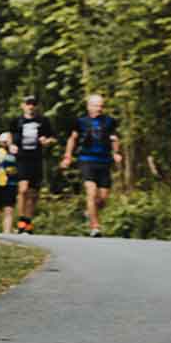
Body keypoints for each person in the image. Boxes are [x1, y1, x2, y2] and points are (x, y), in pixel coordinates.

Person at [60, 93, 122, 237]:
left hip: (104, 161)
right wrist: (68, 156)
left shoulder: (109, 121)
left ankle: (90, 212)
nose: (99, 108)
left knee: (103, 199)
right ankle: (95, 227)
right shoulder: (81, 121)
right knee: (91, 192)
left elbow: (114, 138)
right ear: (89, 106)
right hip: (87, 160)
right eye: (95, 105)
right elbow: (72, 139)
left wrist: (116, 152)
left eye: (101, 106)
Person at [9, 95, 55, 233]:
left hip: (37, 158)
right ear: (23, 106)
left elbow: (53, 137)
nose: (31, 106)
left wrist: (47, 141)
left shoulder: (43, 121)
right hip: (22, 158)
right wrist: (11, 146)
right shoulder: (16, 121)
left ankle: (28, 221)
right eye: (28, 103)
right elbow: (9, 135)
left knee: (34, 193)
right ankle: (21, 219)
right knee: (23, 189)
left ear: (36, 106)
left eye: (33, 104)